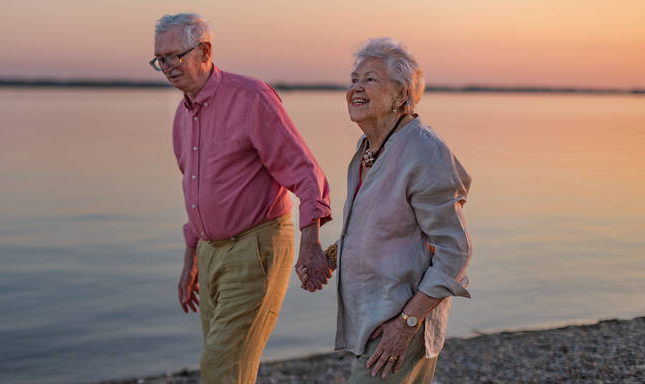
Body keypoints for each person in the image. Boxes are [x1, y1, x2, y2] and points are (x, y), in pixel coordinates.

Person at [151, 13, 333, 383]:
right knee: (226, 365)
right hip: (209, 250)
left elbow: (304, 171)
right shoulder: (182, 116)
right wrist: (191, 259)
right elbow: (195, 189)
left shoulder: (251, 98)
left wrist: (311, 242)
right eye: (160, 59)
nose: (167, 67)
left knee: (221, 366)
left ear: (204, 50)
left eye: (175, 56)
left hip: (256, 247)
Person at [332, 38, 473, 383]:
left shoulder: (423, 152)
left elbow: (455, 252)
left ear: (401, 96)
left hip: (399, 323)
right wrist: (330, 254)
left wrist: (406, 325)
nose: (355, 89)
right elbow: (381, 229)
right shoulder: (368, 148)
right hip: (371, 319)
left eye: (369, 79)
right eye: (353, 80)